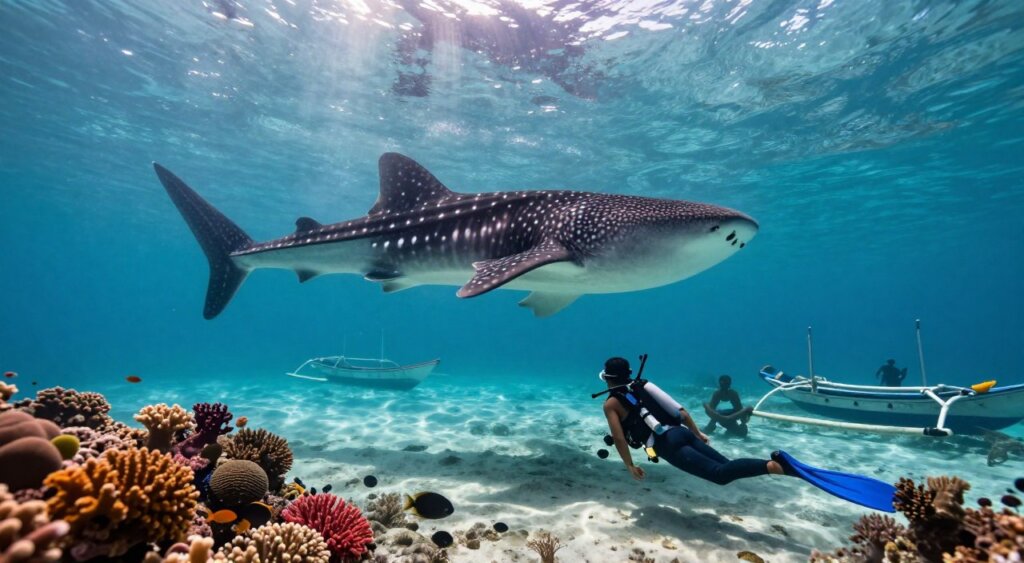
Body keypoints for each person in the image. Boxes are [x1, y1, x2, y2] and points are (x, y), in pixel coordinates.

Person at [599, 357, 784, 484]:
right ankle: (782, 468)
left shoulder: (611, 404)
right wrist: (697, 433)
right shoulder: (645, 385)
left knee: (719, 475)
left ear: (607, 378)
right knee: (727, 465)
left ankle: (775, 465)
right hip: (682, 432)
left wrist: (629, 465)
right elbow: (682, 412)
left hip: (665, 443)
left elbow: (620, 439)